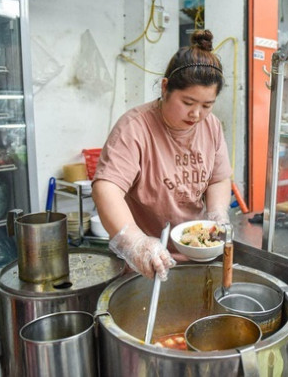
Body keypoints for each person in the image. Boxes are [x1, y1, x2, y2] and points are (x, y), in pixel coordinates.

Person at [91, 30, 232, 281]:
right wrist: (135, 242)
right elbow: (106, 187)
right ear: (166, 87)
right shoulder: (135, 127)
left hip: (198, 257)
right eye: (188, 103)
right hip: (147, 265)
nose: (196, 114)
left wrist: (217, 215)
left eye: (207, 106)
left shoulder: (212, 127)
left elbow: (218, 179)